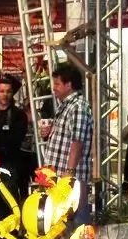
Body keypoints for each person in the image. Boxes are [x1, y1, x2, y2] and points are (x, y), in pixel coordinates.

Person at [38, 63, 93, 227]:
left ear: (69, 85)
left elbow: (77, 141)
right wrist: (50, 132)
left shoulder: (78, 107)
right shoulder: (67, 105)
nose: (54, 88)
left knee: (77, 218)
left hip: (70, 176)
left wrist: (69, 174)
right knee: (61, 218)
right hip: (59, 174)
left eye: (57, 84)